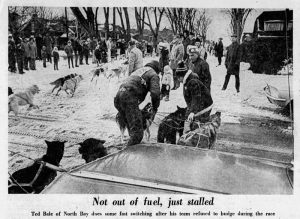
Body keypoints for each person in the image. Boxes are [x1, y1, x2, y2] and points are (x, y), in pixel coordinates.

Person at [114, 60, 161, 146]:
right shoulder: (154, 74)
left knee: (132, 128)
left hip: (118, 97)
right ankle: (129, 153)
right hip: (129, 97)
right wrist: (155, 108)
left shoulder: (138, 71)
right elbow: (155, 94)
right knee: (137, 134)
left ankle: (130, 145)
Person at [175, 61, 213, 134]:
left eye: (178, 78)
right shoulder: (188, 80)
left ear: (181, 76)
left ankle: (196, 138)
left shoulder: (192, 82)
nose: (178, 80)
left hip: (204, 105)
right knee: (189, 120)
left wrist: (192, 112)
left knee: (197, 124)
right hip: (198, 104)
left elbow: (196, 98)